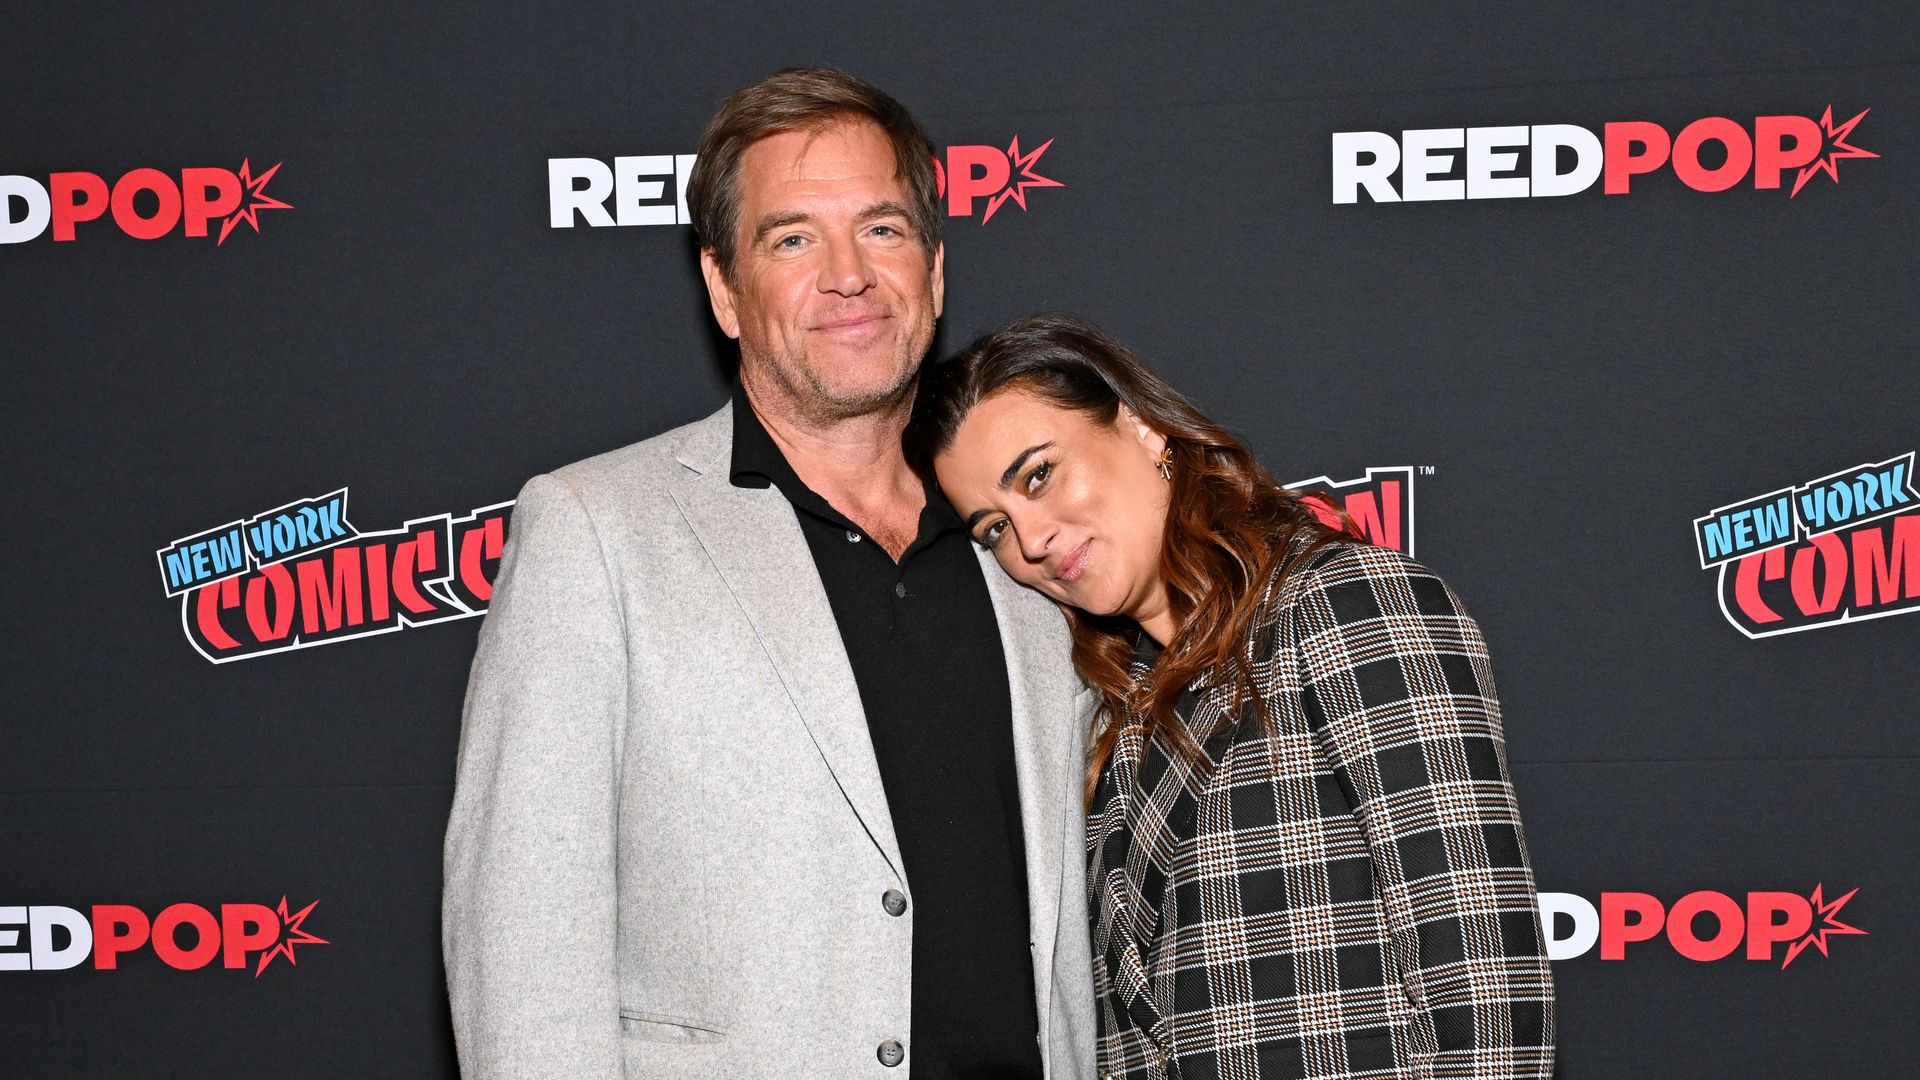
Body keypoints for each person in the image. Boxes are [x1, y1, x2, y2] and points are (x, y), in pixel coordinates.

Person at [441, 71, 1095, 1079]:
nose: (848, 276)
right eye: (793, 239)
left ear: (933, 269)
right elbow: (524, 943)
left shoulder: (1029, 539)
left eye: (882, 229)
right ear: (724, 288)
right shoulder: (599, 530)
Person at [905, 313, 1556, 1080]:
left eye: (1040, 475)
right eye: (995, 529)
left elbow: (1488, 990)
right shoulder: (1116, 712)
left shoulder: (1346, 603)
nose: (1033, 540)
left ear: (1144, 429)